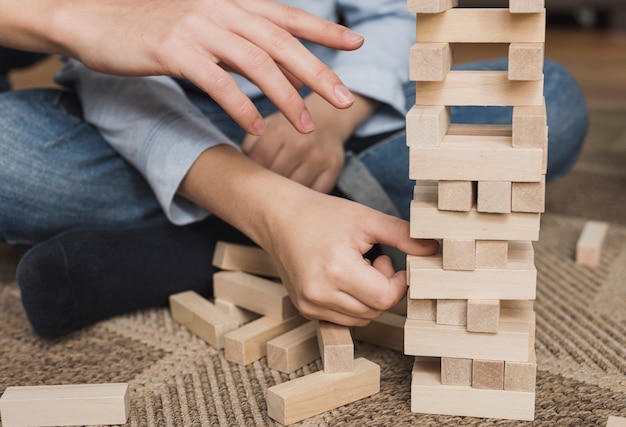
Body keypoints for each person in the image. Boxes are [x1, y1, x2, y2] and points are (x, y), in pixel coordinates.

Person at [0, 1, 588, 339]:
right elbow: (108, 69)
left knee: (545, 100)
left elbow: (388, 16)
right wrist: (269, 201)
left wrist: (332, 121)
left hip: (325, 104)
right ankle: (277, 224)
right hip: (151, 117)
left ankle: (213, 244)